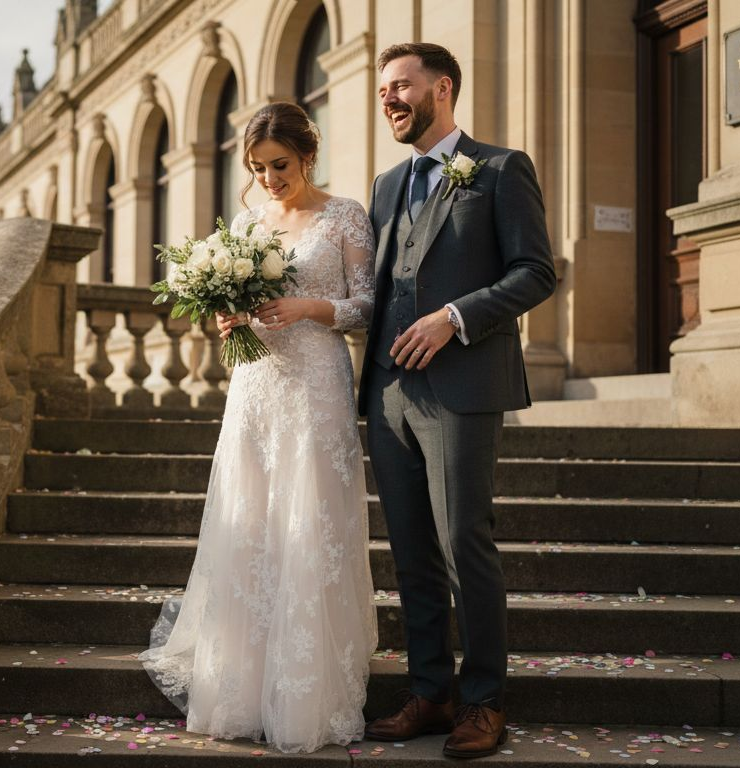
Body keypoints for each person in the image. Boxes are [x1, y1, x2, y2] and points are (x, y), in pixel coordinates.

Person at [142, 101, 378, 753]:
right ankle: (241, 685)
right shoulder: (247, 222)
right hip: (254, 388)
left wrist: (308, 305)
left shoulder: (345, 216)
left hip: (317, 385)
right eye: (257, 168)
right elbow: (236, 304)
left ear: (309, 155)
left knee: (311, 523)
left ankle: (308, 690)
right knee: (248, 525)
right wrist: (229, 321)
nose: (270, 179)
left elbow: (369, 304)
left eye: (279, 165)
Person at [357, 43, 556, 757]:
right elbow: (373, 292)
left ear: (442, 88)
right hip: (388, 396)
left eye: (401, 86)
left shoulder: (500, 169)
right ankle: (431, 693)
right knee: (411, 553)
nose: (389, 100)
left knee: (461, 544)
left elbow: (537, 272)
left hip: (463, 387)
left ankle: (483, 702)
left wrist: (454, 318)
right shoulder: (385, 186)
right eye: (383, 90)